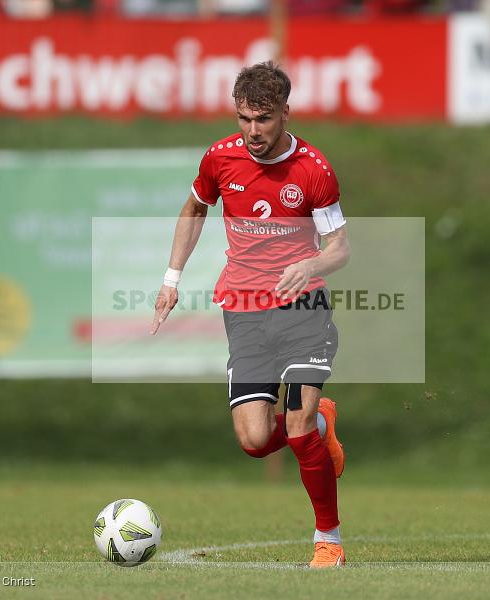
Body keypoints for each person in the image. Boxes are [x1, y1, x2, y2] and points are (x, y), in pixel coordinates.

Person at [150, 61, 351, 568]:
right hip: (243, 308)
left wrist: (309, 264)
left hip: (303, 307)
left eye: (262, 119)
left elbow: (339, 248)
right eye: (244, 118)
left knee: (298, 427)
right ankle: (319, 428)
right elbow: (195, 210)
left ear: (285, 112)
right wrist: (171, 280)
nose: (252, 131)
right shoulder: (220, 159)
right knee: (256, 440)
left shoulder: (314, 169)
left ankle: (328, 539)